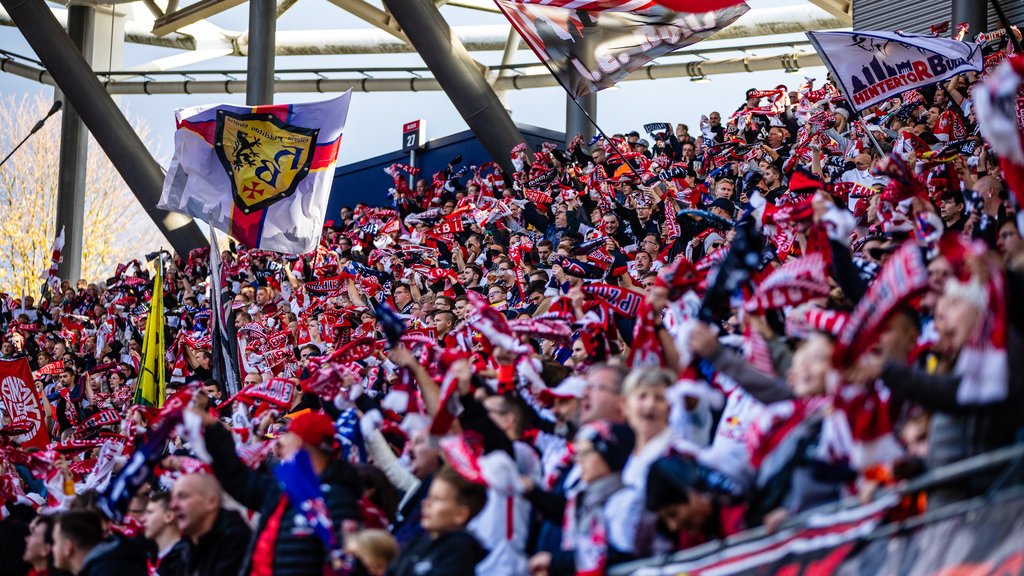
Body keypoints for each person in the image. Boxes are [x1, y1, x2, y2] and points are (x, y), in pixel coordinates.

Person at [194, 404, 363, 576]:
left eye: (285, 435)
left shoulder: (338, 499)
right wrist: (211, 428)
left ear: (301, 442)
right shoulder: (283, 489)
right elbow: (237, 478)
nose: (278, 445)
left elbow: (345, 566)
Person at [526, 421, 641, 575]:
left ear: (607, 454)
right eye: (578, 454)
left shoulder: (626, 499)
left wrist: (556, 562)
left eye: (586, 453)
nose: (579, 460)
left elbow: (621, 555)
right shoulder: (583, 497)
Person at [386, 466, 489, 576]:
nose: (426, 503)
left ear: (460, 515)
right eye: (428, 497)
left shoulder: (459, 554)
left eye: (437, 499)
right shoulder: (418, 543)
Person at [170, 474, 251, 576]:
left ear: (211, 502)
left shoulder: (236, 540)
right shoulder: (185, 550)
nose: (173, 505)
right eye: (172, 499)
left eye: (183, 496)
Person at [52, 510, 146, 576]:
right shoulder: (102, 568)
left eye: (55, 542)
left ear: (68, 547)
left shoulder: (110, 571)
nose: (53, 548)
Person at [143, 491, 187, 576]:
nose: (143, 519)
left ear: (169, 516)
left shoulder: (185, 560)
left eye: (150, 512)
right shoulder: (151, 557)